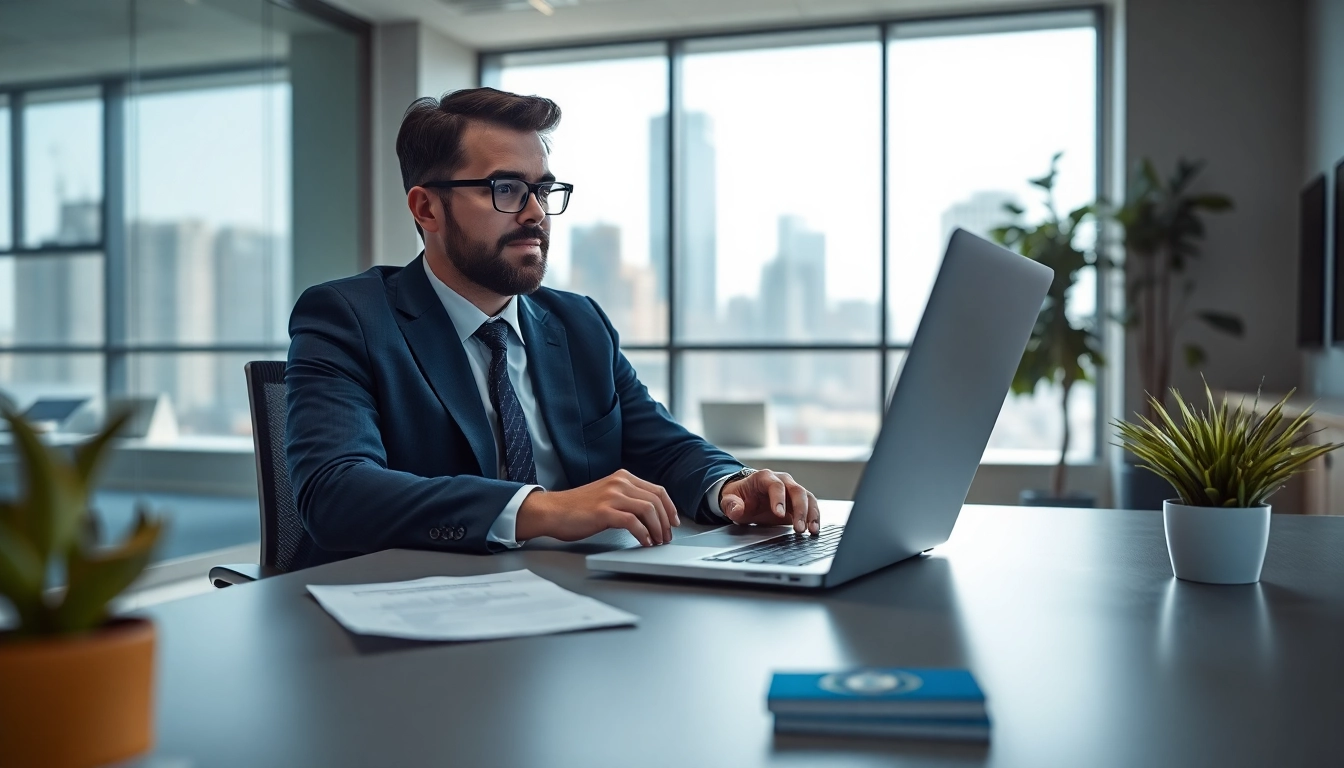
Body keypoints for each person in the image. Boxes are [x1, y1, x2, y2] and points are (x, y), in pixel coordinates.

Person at [285, 87, 820, 569]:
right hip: (402, 611)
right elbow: (335, 493)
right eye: (507, 189)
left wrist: (730, 485)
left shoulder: (578, 322)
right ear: (427, 207)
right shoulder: (349, 317)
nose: (536, 214)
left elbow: (663, 447)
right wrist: (538, 509)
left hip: (572, 599)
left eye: (543, 190)